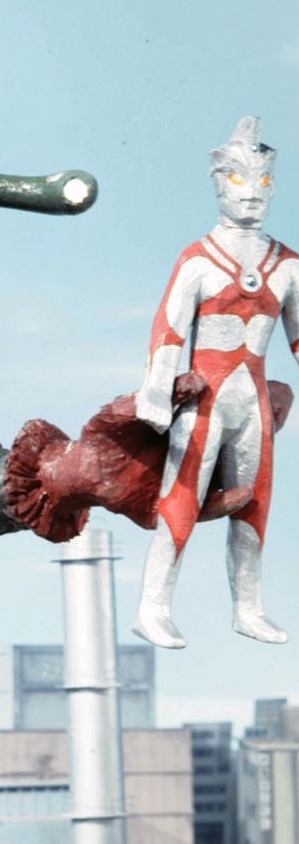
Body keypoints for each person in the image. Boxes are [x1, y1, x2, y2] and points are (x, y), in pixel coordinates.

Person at [133, 116, 299, 648]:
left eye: (262, 182)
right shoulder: (199, 259)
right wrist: (156, 390)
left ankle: (248, 607)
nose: (251, 193)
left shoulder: (287, 265)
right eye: (238, 180)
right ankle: (153, 608)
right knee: (180, 498)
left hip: (253, 401)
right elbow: (168, 330)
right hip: (205, 399)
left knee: (254, 502)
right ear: (219, 183)